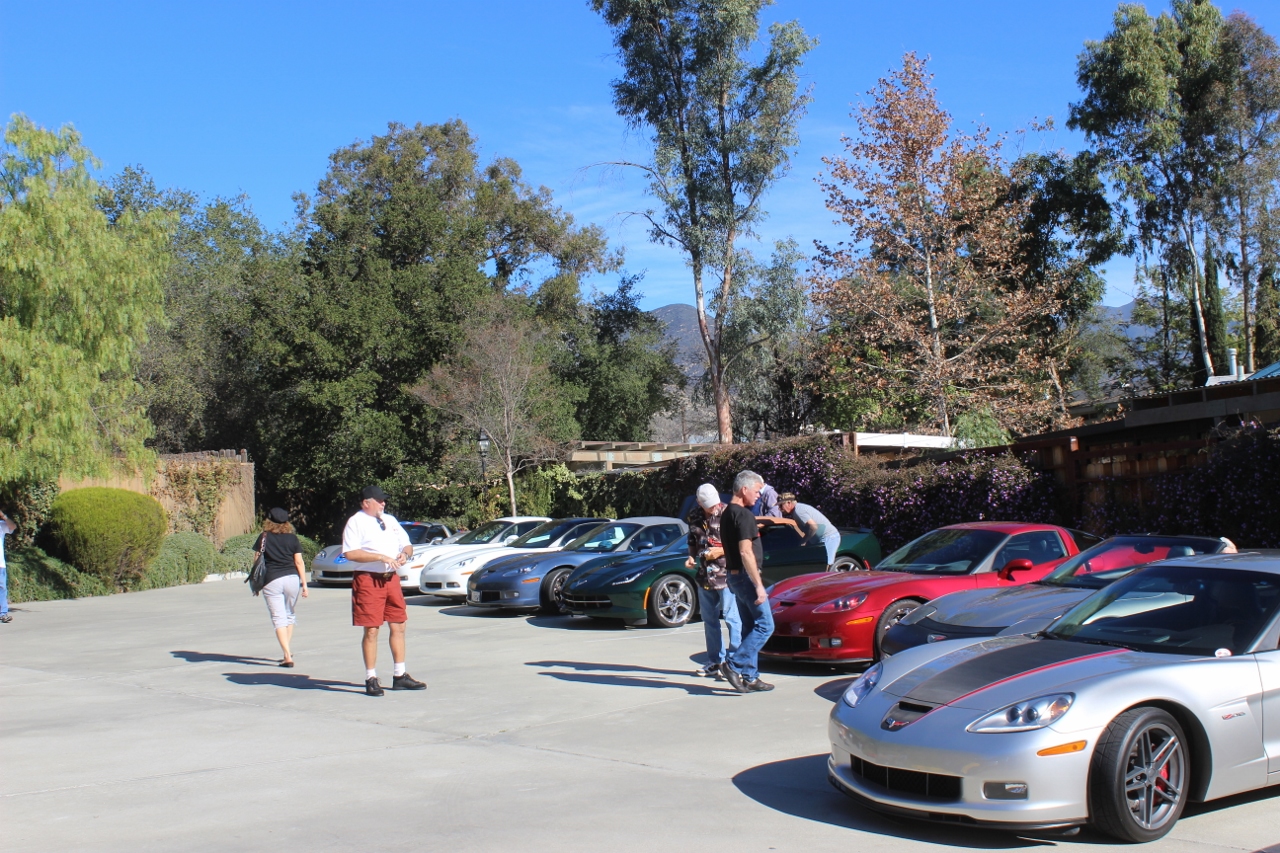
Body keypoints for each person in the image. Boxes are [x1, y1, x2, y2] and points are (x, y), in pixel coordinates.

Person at [341, 485, 427, 696]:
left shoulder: (390, 520)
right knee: (371, 629)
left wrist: (404, 555)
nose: (383, 503)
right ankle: (371, 678)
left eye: (384, 500)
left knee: (399, 624)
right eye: (379, 500)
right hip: (368, 579)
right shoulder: (356, 522)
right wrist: (381, 557)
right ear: (366, 503)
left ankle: (400, 675)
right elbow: (350, 553)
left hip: (391, 579)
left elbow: (407, 545)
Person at [720, 470, 775, 693]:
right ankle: (733, 665)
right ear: (744, 489)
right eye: (757, 491)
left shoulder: (727, 513)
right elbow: (745, 552)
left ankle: (750, 677)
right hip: (745, 577)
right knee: (765, 625)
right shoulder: (743, 515)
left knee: (750, 626)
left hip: (734, 577)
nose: (759, 495)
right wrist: (759, 585)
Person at [684, 483, 741, 679]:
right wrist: (691, 557)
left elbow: (741, 544)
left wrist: (721, 551)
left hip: (726, 575)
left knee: (732, 618)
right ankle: (715, 661)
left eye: (714, 503)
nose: (713, 508)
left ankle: (735, 664)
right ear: (699, 503)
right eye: (708, 505)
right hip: (705, 575)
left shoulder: (728, 513)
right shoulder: (695, 515)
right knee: (709, 620)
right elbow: (692, 540)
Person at [253, 507, 308, 666]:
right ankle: (286, 652)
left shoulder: (263, 537)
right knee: (289, 614)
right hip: (292, 578)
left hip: (272, 580)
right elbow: (299, 562)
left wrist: (256, 584)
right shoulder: (292, 539)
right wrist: (304, 584)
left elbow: (256, 561)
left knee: (278, 618)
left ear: (269, 521)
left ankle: (287, 656)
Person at [778, 493, 841, 569]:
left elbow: (813, 527)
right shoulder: (798, 509)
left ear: (789, 503)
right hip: (820, 539)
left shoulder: (799, 511)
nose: (780, 509)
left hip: (829, 537)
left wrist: (804, 540)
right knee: (819, 565)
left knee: (825, 564)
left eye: (781, 505)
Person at [0, 507, 15, 624]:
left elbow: (13, 526)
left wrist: (3, 516)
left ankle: (3, 614)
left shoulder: (1, 525)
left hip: (0, 564)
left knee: (2, 588)